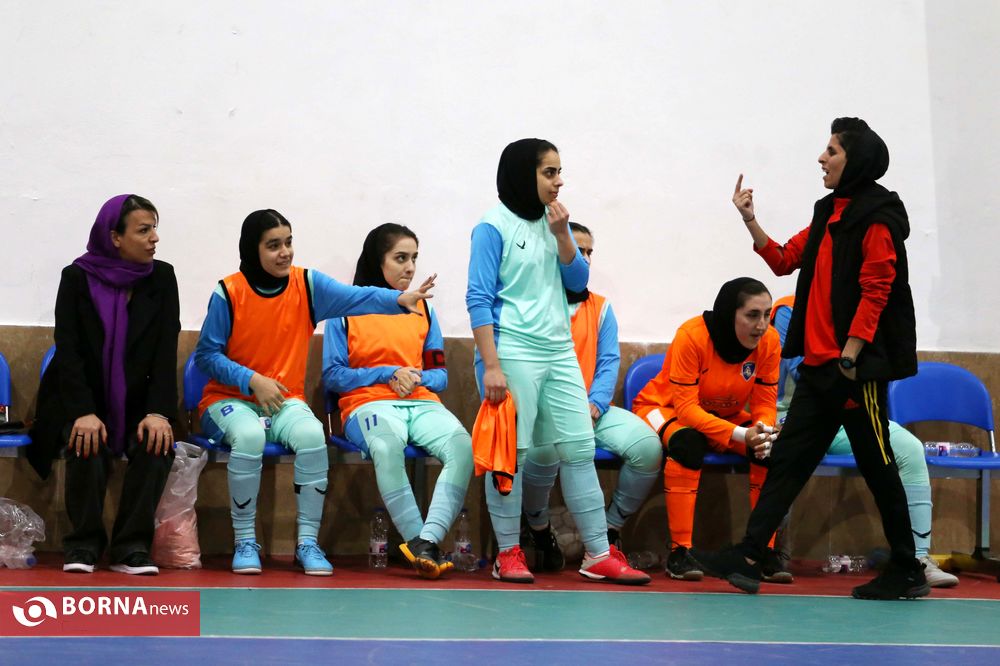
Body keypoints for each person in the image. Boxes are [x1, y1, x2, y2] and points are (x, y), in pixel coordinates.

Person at [690, 117, 929, 600]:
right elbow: (783, 259)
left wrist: (851, 354)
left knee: (878, 465)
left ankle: (907, 567)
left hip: (853, 370)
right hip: (820, 367)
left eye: (832, 150)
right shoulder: (828, 212)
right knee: (788, 461)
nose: (822, 158)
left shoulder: (877, 217)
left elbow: (877, 289)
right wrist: (749, 218)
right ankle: (750, 554)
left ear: (855, 160)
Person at [194, 209, 433, 576]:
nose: (285, 252)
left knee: (312, 436)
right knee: (249, 435)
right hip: (227, 401)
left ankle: (307, 543)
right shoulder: (228, 292)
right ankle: (244, 541)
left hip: (285, 401)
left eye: (289, 242)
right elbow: (206, 356)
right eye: (273, 245)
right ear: (252, 249)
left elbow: (354, 297)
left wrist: (397, 301)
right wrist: (252, 380)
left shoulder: (306, 285)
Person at [466, 138, 649, 585]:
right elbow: (478, 298)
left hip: (559, 351)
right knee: (512, 456)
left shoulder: (555, 223)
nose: (559, 181)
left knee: (580, 449)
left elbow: (578, 282)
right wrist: (492, 365)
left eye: (559, 171)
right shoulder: (491, 227)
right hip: (512, 350)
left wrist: (564, 235)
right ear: (522, 174)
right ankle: (507, 554)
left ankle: (598, 554)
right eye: (550, 172)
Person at [29, 194, 179, 575]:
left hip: (138, 400)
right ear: (115, 237)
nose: (154, 238)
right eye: (143, 230)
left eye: (154, 229)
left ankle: (131, 547)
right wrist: (83, 411)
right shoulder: (76, 278)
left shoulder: (162, 279)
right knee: (86, 440)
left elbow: (165, 352)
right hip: (79, 397)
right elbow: (69, 351)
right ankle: (83, 544)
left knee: (157, 444)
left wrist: (159, 412)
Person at [771, 298, 957, 588]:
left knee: (909, 448)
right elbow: (807, 372)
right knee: (779, 452)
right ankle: (769, 553)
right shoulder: (789, 310)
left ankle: (918, 558)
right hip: (795, 416)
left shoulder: (866, 312)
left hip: (850, 414)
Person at [322, 223, 472, 580]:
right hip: (367, 405)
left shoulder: (424, 311)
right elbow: (332, 375)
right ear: (378, 261)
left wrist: (415, 377)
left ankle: (427, 542)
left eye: (414, 258)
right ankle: (420, 544)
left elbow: (440, 376)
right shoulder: (344, 310)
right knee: (386, 446)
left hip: (421, 402)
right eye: (400, 258)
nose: (410, 267)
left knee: (464, 446)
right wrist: (388, 373)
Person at [518, 222, 662, 570]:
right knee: (542, 452)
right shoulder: (528, 304)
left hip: (591, 411)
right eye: (576, 250)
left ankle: (608, 531)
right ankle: (538, 528)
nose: (583, 258)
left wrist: (595, 404)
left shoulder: (601, 308)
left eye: (588, 252)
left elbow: (609, 362)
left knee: (648, 448)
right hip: (544, 416)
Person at [632, 278, 782, 581]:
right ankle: (680, 553)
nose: (762, 325)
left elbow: (765, 402)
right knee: (688, 444)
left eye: (767, 315)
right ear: (729, 314)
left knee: (769, 452)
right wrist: (741, 435)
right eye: (752, 315)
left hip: (722, 416)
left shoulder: (770, 341)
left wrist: (763, 431)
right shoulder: (691, 336)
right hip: (663, 408)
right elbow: (687, 410)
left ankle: (761, 551)